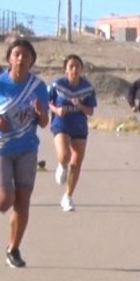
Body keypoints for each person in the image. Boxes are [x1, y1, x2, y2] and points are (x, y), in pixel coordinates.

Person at [0, 39, 50, 268]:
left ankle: (13, 248)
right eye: (17, 54)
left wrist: (40, 112)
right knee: (5, 202)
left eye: (26, 55)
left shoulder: (38, 87)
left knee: (23, 201)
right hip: (0, 147)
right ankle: (7, 190)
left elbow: (44, 122)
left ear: (32, 60)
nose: (21, 59)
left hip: (27, 148)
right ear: (9, 58)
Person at [48, 54, 97, 211]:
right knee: (64, 155)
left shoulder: (87, 88)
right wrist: (56, 109)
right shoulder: (57, 85)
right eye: (71, 66)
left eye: (77, 66)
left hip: (79, 126)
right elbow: (46, 102)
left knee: (76, 163)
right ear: (66, 69)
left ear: (81, 69)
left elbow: (90, 111)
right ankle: (62, 165)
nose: (74, 69)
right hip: (61, 122)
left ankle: (67, 197)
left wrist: (80, 105)